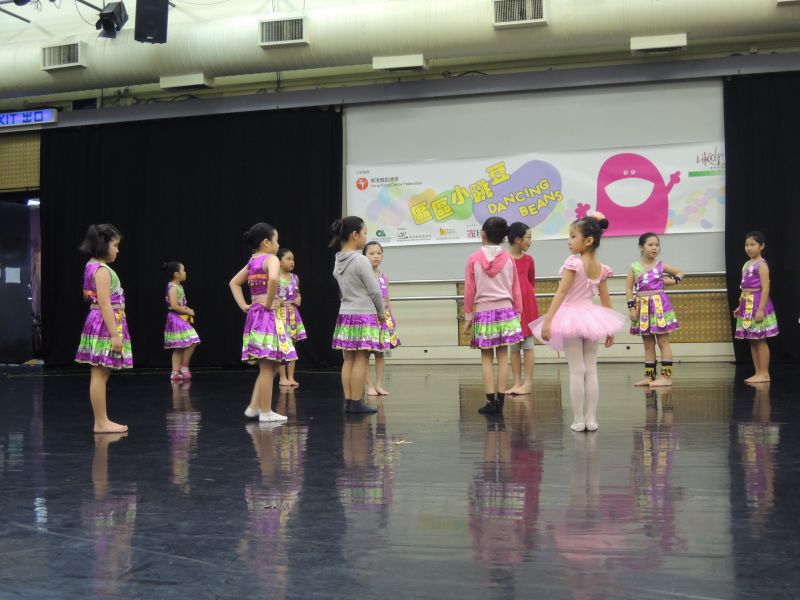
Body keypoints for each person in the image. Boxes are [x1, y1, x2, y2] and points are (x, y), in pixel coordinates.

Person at [530, 213, 625, 432]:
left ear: (588, 240)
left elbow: (562, 293)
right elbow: (605, 300)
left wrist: (549, 320)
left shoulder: (573, 263)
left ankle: (578, 420)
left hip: (570, 318)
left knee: (576, 371)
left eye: (573, 236)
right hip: (592, 318)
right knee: (591, 370)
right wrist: (610, 329)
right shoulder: (601, 268)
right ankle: (591, 419)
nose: (569, 241)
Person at [230, 222, 296, 423]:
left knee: (272, 364)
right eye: (277, 240)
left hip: (256, 315)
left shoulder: (252, 261)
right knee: (268, 367)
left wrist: (244, 305)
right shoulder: (271, 259)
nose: (278, 245)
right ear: (267, 242)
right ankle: (265, 411)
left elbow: (233, 283)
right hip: (267, 316)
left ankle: (254, 406)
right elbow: (274, 279)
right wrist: (268, 303)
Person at [463, 216, 523, 415]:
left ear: (483, 234)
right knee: (504, 356)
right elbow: (516, 288)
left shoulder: (473, 258)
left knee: (486, 357)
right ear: (504, 237)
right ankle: (501, 401)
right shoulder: (509, 259)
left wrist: (468, 316)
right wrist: (518, 312)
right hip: (506, 311)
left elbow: (469, 290)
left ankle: (490, 402)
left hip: (483, 312)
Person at [75, 224, 131, 433]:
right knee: (100, 374)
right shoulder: (102, 270)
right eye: (115, 245)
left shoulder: (91, 266)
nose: (117, 250)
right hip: (106, 322)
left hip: (100, 319)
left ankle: (102, 420)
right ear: (103, 245)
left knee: (100, 373)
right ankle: (100, 422)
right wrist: (115, 334)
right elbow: (105, 303)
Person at [330, 216, 385, 414]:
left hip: (345, 313)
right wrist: (381, 313)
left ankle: (348, 402)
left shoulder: (338, 259)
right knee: (361, 359)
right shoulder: (360, 260)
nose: (365, 237)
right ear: (355, 235)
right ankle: (356, 402)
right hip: (363, 314)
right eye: (364, 233)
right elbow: (375, 290)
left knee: (348, 360)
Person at [626, 233, 683, 387]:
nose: (654, 248)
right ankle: (649, 377)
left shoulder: (661, 265)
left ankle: (666, 377)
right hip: (643, 308)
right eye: (650, 245)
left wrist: (674, 281)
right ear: (641, 247)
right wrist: (631, 308)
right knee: (648, 344)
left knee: (663, 342)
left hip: (659, 307)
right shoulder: (634, 267)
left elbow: (680, 272)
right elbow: (629, 289)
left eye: (657, 245)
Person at [733, 230, 779, 383]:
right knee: (752, 339)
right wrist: (740, 306)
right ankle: (758, 372)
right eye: (746, 245)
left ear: (761, 246)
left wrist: (760, 310)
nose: (749, 248)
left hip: (758, 303)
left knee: (760, 339)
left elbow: (765, 288)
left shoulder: (761, 264)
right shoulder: (746, 264)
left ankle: (764, 373)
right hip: (747, 304)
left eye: (752, 244)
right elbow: (744, 289)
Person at [363, 241, 401, 396]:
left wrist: (391, 318)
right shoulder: (364, 276)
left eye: (379, 253)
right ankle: (369, 386)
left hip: (383, 318)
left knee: (380, 353)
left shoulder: (384, 277)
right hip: (368, 317)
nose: (376, 256)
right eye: (371, 253)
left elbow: (387, 298)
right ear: (364, 256)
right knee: (365, 353)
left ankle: (379, 384)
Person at [506, 222, 538, 396]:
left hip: (527, 306)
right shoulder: (504, 259)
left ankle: (528, 383)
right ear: (518, 239)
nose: (530, 241)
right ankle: (517, 382)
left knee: (528, 345)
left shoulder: (529, 260)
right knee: (514, 347)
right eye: (528, 237)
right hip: (510, 306)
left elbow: (531, 282)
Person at [162, 261, 201, 381]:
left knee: (180, 346)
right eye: (183, 270)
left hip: (180, 318)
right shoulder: (173, 287)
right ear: (176, 274)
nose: (185, 273)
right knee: (193, 340)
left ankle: (175, 372)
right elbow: (174, 305)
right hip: (175, 318)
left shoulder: (179, 287)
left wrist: (186, 310)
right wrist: (188, 311)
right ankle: (184, 366)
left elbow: (180, 304)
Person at [276, 248, 306, 388]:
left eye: (293, 259)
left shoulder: (295, 278)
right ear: (279, 261)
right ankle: (282, 377)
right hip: (279, 314)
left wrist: (299, 298)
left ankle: (291, 377)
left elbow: (297, 293)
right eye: (288, 259)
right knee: (282, 345)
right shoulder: (274, 277)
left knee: (292, 345)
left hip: (293, 314)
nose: (292, 262)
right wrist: (277, 301)